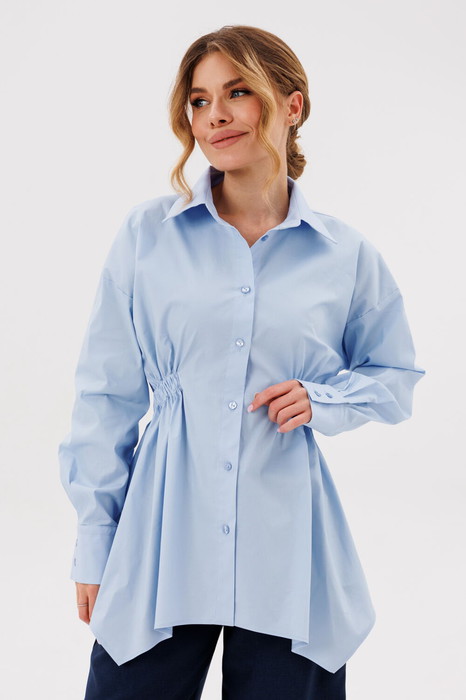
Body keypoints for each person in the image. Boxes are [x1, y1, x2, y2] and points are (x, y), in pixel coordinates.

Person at [58, 24, 426, 700]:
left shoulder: (344, 255)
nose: (215, 116)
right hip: (161, 542)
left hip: (289, 553)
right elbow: (105, 398)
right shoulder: (148, 237)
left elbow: (395, 376)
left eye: (237, 93)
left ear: (291, 105)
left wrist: (324, 399)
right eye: (199, 101)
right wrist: (95, 539)